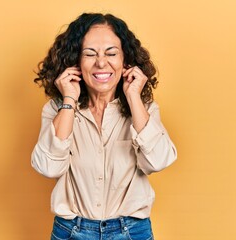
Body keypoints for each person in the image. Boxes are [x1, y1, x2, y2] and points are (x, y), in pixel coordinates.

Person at [31, 13, 177, 240]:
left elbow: (158, 161)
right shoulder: (57, 110)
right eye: (90, 54)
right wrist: (69, 100)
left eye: (111, 53)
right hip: (72, 232)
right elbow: (49, 168)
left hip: (132, 232)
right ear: (75, 62)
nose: (101, 62)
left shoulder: (143, 109)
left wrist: (134, 97)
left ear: (125, 61)